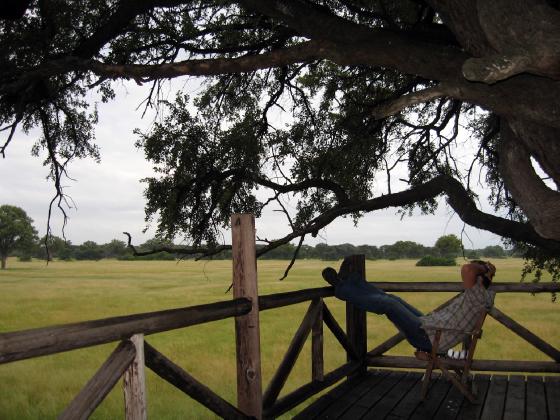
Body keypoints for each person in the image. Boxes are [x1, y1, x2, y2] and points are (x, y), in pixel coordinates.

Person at [321, 260, 496, 353]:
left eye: (477, 273)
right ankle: (351, 281)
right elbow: (472, 273)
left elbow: (467, 269)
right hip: (430, 326)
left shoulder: (478, 294)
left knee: (389, 304)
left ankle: (342, 287)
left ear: (480, 278)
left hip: (430, 337)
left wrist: (484, 267)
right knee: (393, 299)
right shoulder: (481, 293)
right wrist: (488, 272)